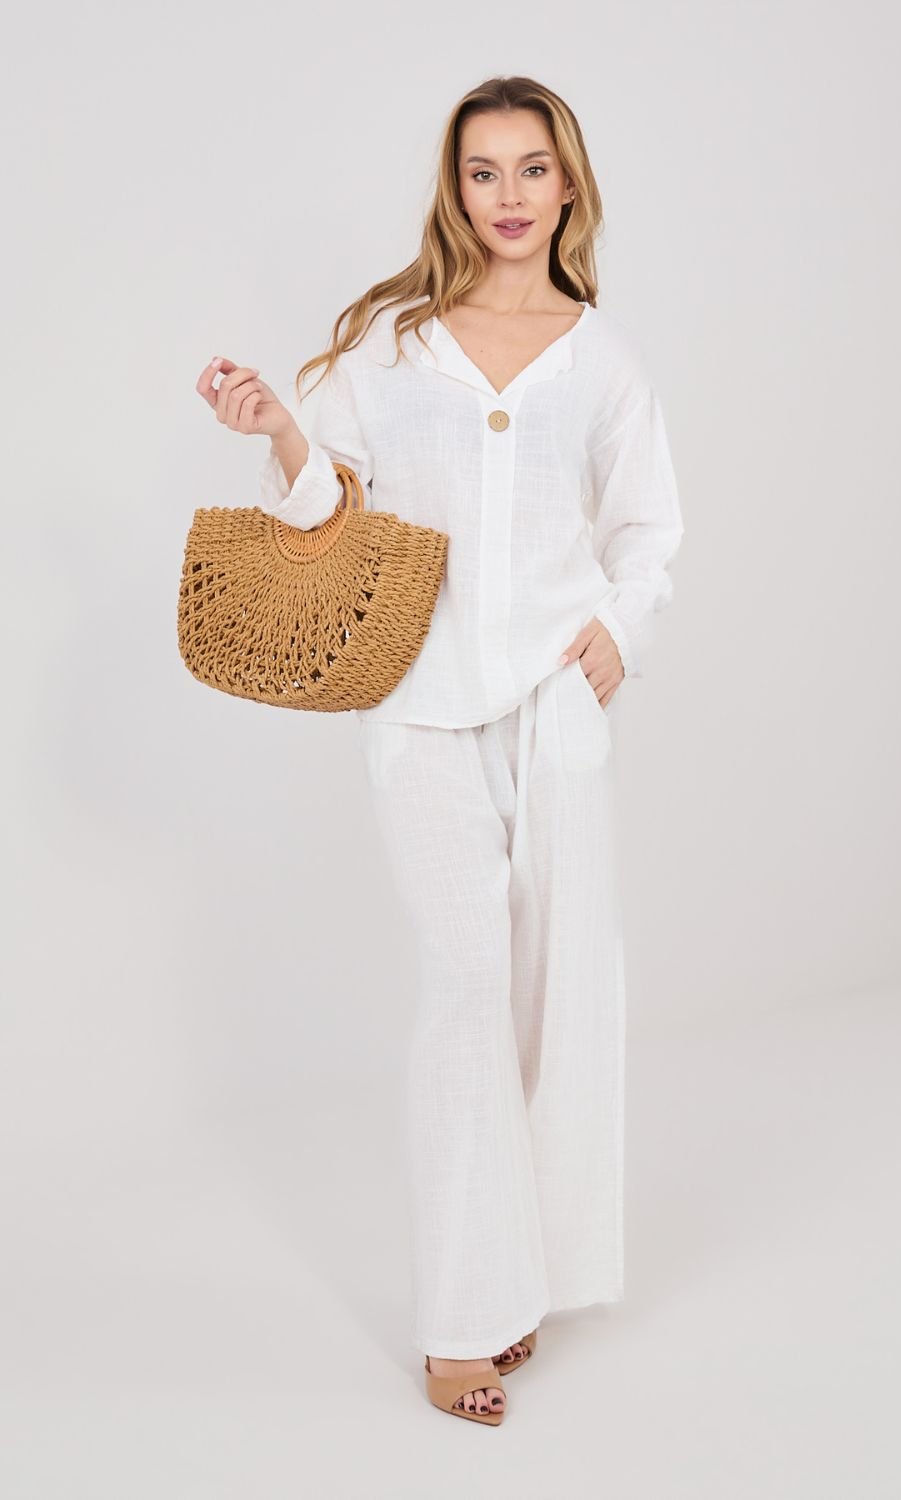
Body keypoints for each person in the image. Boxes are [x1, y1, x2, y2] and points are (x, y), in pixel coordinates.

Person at [195, 74, 684, 1427]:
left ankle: (527, 1277)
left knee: (553, 995)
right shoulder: (397, 345)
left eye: (532, 168)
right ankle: (464, 1320)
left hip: (556, 708)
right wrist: (279, 431)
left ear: (568, 185)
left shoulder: (603, 358)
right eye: (483, 171)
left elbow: (649, 527)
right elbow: (331, 509)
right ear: (454, 190)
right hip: (417, 703)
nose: (509, 195)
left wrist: (621, 632)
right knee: (467, 985)